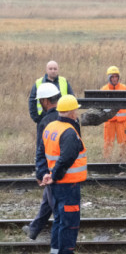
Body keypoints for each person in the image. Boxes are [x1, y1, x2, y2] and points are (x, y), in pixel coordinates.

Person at [36, 95, 87, 254]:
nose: (77, 113)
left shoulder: (51, 127)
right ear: (72, 113)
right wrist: (54, 176)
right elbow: (66, 158)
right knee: (69, 223)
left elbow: (40, 153)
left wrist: (45, 173)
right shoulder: (69, 132)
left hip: (55, 186)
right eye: (76, 110)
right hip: (67, 185)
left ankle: (55, 251)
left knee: (58, 220)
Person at [24, 83, 61, 240]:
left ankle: (57, 239)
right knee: (48, 199)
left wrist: (41, 173)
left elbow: (41, 151)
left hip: (52, 170)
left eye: (40, 101)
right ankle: (34, 229)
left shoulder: (45, 121)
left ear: (45, 101)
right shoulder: (67, 116)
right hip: (66, 168)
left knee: (55, 204)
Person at [28, 60, 74, 124]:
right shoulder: (38, 83)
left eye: (55, 69)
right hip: (43, 119)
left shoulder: (64, 81)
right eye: (50, 69)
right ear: (46, 70)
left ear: (58, 70)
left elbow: (71, 98)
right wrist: (36, 118)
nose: (53, 71)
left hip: (62, 117)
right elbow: (32, 101)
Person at [101, 66, 126, 160]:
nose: (114, 79)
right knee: (108, 143)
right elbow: (100, 106)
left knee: (123, 143)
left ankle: (123, 162)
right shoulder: (104, 90)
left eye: (116, 76)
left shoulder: (125, 88)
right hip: (109, 122)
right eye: (112, 77)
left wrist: (124, 113)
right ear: (108, 78)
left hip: (122, 122)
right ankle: (107, 162)